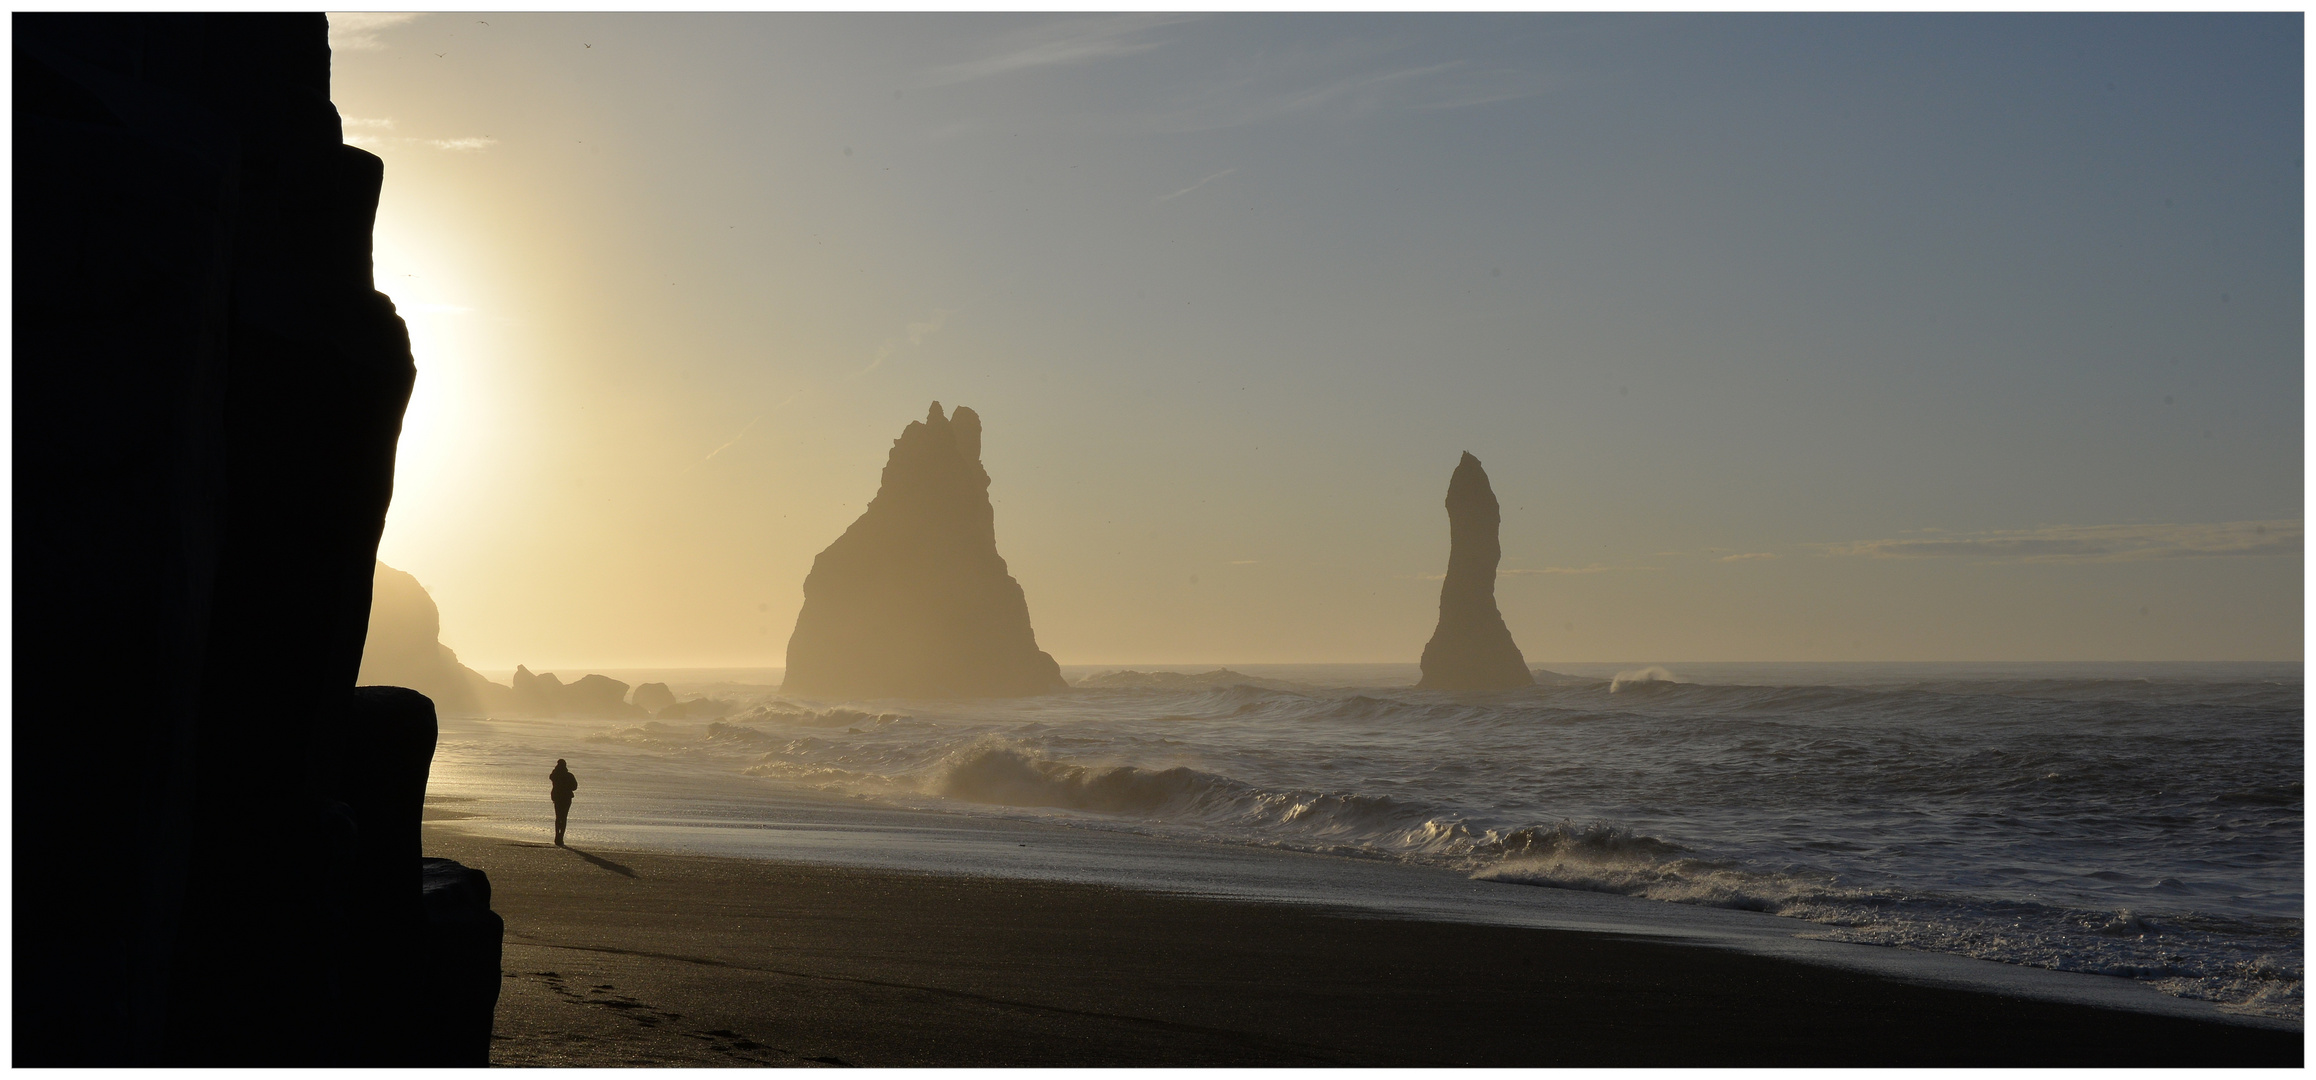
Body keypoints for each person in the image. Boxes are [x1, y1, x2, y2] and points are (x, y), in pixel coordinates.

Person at [548, 759, 578, 846]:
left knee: (558, 817)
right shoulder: (569, 775)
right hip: (566, 798)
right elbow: (574, 787)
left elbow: (551, 776)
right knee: (564, 817)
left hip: (557, 798)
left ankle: (557, 836)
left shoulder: (555, 775)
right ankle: (561, 837)